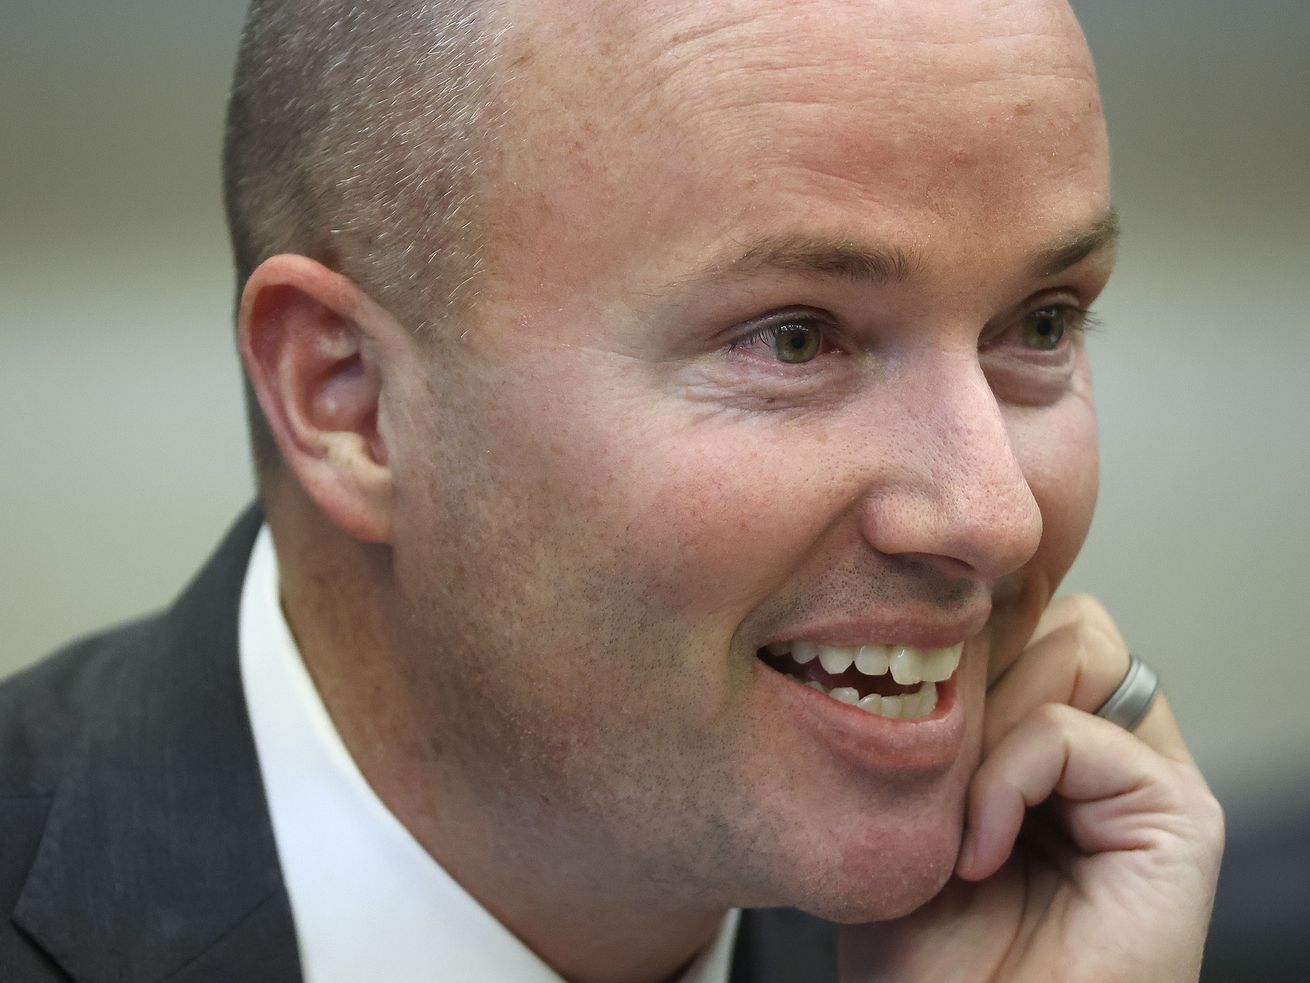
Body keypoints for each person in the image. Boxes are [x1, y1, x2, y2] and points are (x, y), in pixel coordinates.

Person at [0, 0, 1224, 980]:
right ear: (350, 400)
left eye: (1041, 322)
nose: (994, 514)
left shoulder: (1079, 936)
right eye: (794, 338)